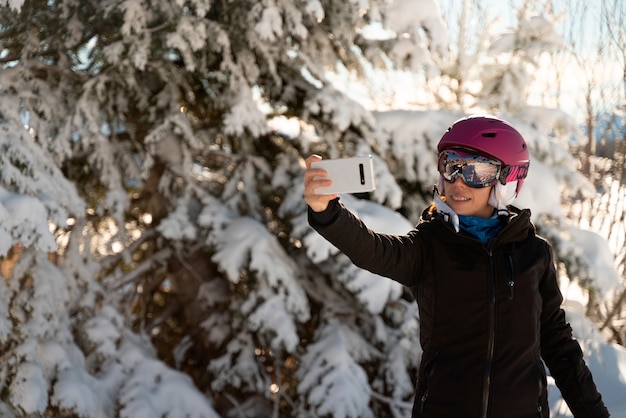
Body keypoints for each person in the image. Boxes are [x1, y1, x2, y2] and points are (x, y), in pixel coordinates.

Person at [303, 115, 610, 418]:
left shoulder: (534, 254)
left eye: (476, 171)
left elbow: (558, 345)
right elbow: (374, 251)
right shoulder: (430, 245)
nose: (459, 182)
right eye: (452, 166)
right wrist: (327, 211)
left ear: (507, 179)